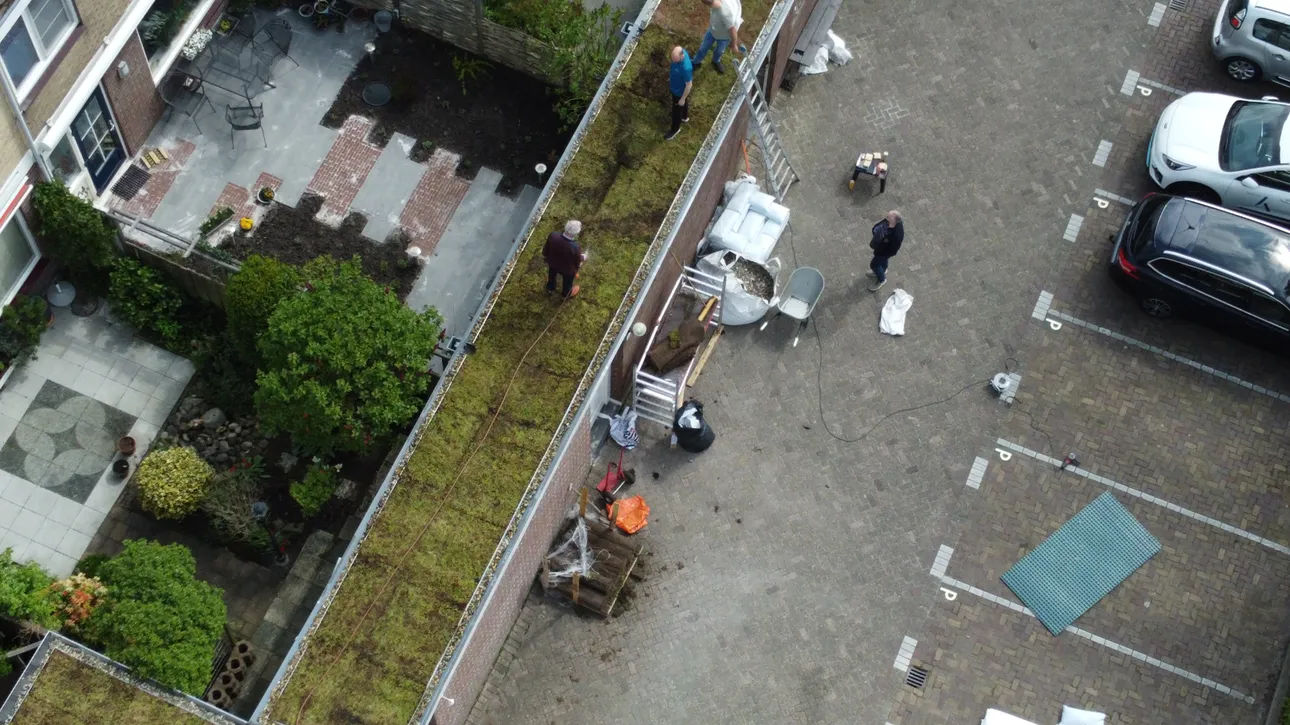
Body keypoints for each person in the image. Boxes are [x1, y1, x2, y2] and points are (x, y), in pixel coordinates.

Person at [693, 0, 744, 74]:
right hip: (712, 31)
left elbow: (733, 30)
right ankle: (696, 62)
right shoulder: (716, 5)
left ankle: (716, 61)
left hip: (724, 37)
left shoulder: (725, 13)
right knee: (703, 48)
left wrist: (734, 45)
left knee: (719, 51)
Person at [544, 220, 585, 298]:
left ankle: (550, 288)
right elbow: (578, 260)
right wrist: (584, 257)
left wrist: (546, 257)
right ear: (576, 233)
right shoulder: (575, 247)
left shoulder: (553, 236)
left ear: (566, 227)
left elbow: (546, 249)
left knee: (551, 275)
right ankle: (565, 295)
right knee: (567, 283)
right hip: (568, 270)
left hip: (553, 263)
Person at [867, 210, 903, 292]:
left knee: (874, 265)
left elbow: (893, 249)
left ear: (893, 221)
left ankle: (882, 280)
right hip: (881, 249)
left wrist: (883, 252)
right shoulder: (891, 222)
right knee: (883, 261)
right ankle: (883, 270)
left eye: (888, 217)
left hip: (883, 252)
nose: (886, 217)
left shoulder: (896, 236)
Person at [666, 46, 693, 141]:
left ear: (682, 56)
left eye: (676, 61)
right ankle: (685, 117)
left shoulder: (686, 68)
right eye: (673, 60)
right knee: (683, 104)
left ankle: (675, 129)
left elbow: (689, 85)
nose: (674, 62)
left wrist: (682, 98)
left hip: (678, 92)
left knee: (676, 111)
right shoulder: (682, 52)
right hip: (676, 84)